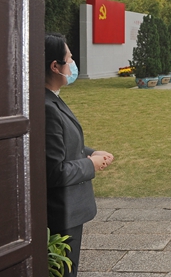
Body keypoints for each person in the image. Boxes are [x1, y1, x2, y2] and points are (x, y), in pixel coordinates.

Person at [45, 33, 114, 277]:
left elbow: (63, 145)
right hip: (60, 212)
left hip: (69, 209)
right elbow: (54, 171)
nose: (73, 64)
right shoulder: (46, 107)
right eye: (69, 59)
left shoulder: (52, 100)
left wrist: (92, 152)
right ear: (55, 66)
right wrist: (91, 165)